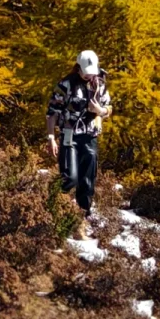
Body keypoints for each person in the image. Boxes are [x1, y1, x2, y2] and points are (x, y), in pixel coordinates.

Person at [47, 49, 111, 238]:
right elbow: (52, 112)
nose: (89, 74)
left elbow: (109, 108)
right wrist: (51, 137)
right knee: (70, 178)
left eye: (92, 70)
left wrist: (100, 110)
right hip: (69, 135)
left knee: (87, 182)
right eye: (86, 70)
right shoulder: (65, 85)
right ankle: (55, 208)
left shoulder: (100, 85)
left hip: (90, 137)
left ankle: (80, 221)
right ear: (78, 68)